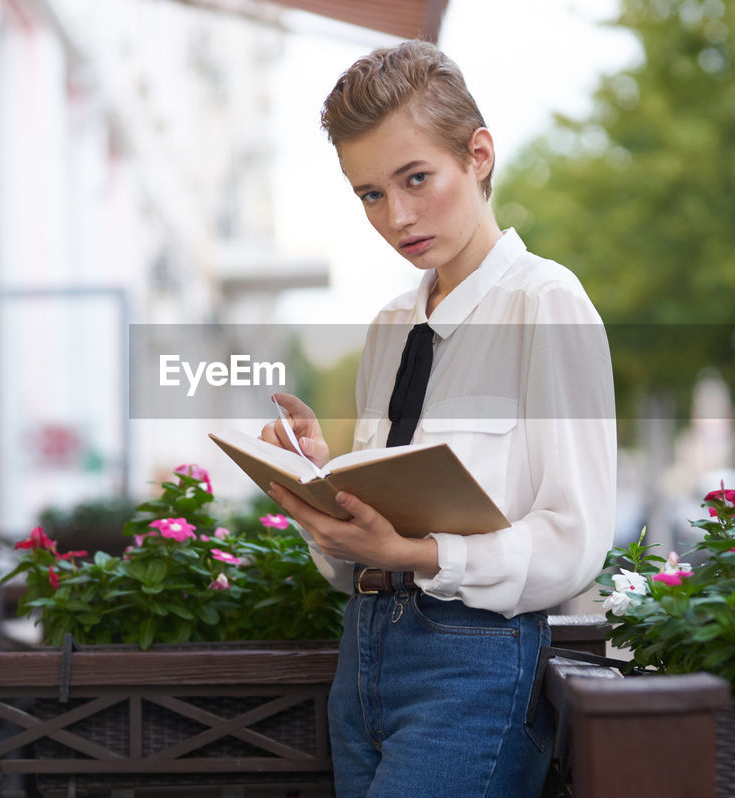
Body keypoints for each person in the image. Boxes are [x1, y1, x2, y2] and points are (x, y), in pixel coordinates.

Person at [260, 40, 616, 798]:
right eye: (371, 195)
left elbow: (576, 538)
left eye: (416, 178)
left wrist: (424, 555)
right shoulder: (390, 327)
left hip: (474, 664)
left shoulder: (544, 305)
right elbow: (361, 555)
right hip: (362, 660)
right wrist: (320, 487)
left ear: (478, 155)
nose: (398, 216)